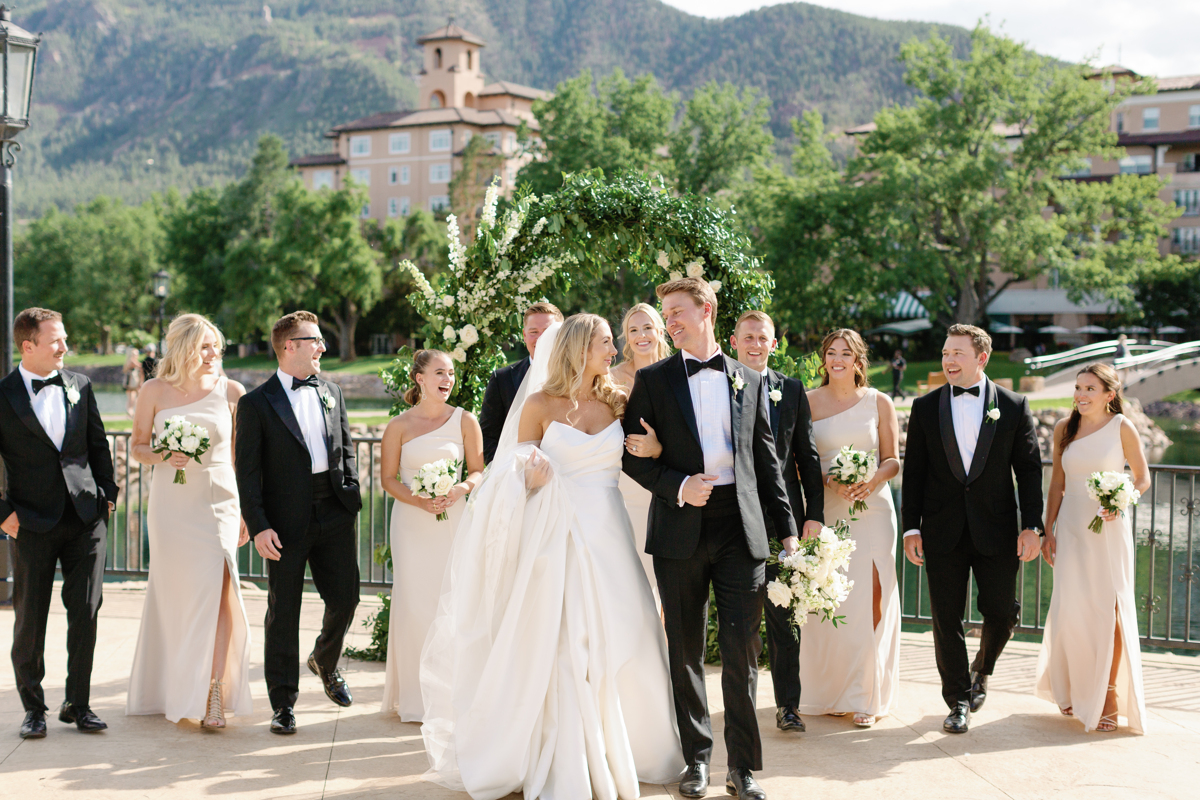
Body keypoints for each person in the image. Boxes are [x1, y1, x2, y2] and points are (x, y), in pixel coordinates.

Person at [420, 314, 684, 800]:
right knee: (561, 640)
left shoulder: (618, 401)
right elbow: (508, 474)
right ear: (582, 348)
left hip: (608, 533)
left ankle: (630, 746)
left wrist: (659, 445)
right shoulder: (539, 405)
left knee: (633, 628)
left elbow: (643, 456)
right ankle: (562, 753)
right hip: (554, 534)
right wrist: (529, 478)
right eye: (607, 342)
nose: (616, 350)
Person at [624, 278, 798, 800]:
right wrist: (677, 485)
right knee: (685, 650)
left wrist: (787, 529)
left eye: (678, 312)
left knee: (744, 653)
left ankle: (741, 769)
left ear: (707, 311)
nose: (670, 322)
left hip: (740, 529)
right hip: (680, 527)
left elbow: (767, 460)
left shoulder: (748, 377)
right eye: (666, 314)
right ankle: (696, 761)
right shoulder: (652, 380)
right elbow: (631, 454)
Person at [902, 324, 1044, 734]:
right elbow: (914, 475)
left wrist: (1032, 525)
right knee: (946, 618)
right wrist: (912, 527)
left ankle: (983, 669)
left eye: (957, 354)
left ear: (981, 358)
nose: (948, 360)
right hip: (942, 531)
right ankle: (958, 700)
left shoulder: (1014, 406)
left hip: (997, 530)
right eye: (945, 353)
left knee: (1002, 612)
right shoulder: (925, 407)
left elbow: (1030, 471)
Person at [234, 311, 362, 735]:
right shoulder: (256, 404)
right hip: (284, 523)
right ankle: (283, 704)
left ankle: (325, 659)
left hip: (334, 513)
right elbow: (247, 472)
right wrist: (259, 524)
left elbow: (344, 447)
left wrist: (350, 494)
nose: (323, 347)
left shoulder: (332, 391)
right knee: (283, 611)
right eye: (315, 341)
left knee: (346, 598)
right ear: (290, 346)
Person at [125, 314, 252, 729]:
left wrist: (248, 511)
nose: (215, 354)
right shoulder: (153, 390)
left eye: (217, 346)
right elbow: (139, 447)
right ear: (184, 349)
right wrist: (164, 454)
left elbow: (239, 460)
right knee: (179, 597)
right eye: (206, 346)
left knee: (221, 593)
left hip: (218, 502)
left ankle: (214, 692)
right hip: (172, 509)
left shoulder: (232, 391)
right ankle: (175, 685)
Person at [0, 308, 117, 739]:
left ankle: (79, 704)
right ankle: (34, 709)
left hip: (87, 518)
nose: (65, 348)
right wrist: (4, 516)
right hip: (29, 522)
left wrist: (109, 497)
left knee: (85, 612)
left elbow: (97, 443)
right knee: (30, 618)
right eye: (56, 341)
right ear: (28, 346)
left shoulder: (80, 386)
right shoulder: (3, 394)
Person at [1035, 364, 1149, 733]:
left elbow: (1143, 477)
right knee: (1072, 608)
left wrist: (1121, 501)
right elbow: (1057, 484)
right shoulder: (1064, 429)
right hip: (1070, 528)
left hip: (1108, 531)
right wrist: (1047, 531)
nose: (1081, 395)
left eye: (1089, 389)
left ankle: (1110, 694)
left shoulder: (1122, 427)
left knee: (1108, 611)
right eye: (1078, 388)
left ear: (1109, 395)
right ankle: (1072, 689)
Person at [727, 310, 824, 734]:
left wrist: (813, 515)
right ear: (733, 341)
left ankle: (788, 706)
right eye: (748, 337)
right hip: (733, 517)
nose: (755, 344)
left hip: (784, 518)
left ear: (773, 343)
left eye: (762, 338)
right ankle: (741, 707)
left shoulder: (792, 389)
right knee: (741, 620)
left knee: (784, 617)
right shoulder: (720, 386)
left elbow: (807, 456)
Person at [800, 329, 902, 728]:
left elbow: (892, 459)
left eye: (846, 353)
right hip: (830, 509)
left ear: (859, 360)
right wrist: (831, 481)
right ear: (823, 359)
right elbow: (799, 460)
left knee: (874, 593)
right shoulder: (807, 402)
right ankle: (830, 691)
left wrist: (873, 480)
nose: (837, 359)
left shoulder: (880, 402)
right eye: (831, 353)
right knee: (834, 599)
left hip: (874, 508)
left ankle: (867, 693)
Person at [380, 349, 484, 721]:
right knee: (414, 603)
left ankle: (452, 695)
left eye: (452, 373)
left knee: (452, 601)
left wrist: (458, 490)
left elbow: (477, 471)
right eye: (440, 372)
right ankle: (416, 697)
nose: (448, 379)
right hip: (411, 524)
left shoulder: (465, 421)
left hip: (453, 520)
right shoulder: (398, 426)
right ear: (419, 378)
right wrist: (419, 501)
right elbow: (388, 479)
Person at [612, 302, 673, 609]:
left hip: (664, 488)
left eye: (647, 327)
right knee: (626, 580)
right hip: (623, 488)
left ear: (659, 331)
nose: (641, 335)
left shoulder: (676, 375)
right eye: (633, 330)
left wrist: (659, 448)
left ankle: (661, 651)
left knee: (663, 584)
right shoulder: (610, 379)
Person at [477, 301, 562, 463]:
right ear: (524, 335)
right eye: (533, 332)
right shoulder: (502, 379)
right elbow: (488, 436)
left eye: (547, 332)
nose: (540, 338)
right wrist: (507, 474)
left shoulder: (577, 378)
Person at [122, 347, 144, 418]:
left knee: (133, 398)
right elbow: (141, 366)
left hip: (132, 383)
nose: (136, 355)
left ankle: (130, 412)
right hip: (131, 383)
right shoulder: (131, 361)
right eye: (135, 354)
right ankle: (130, 412)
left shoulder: (128, 361)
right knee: (132, 399)